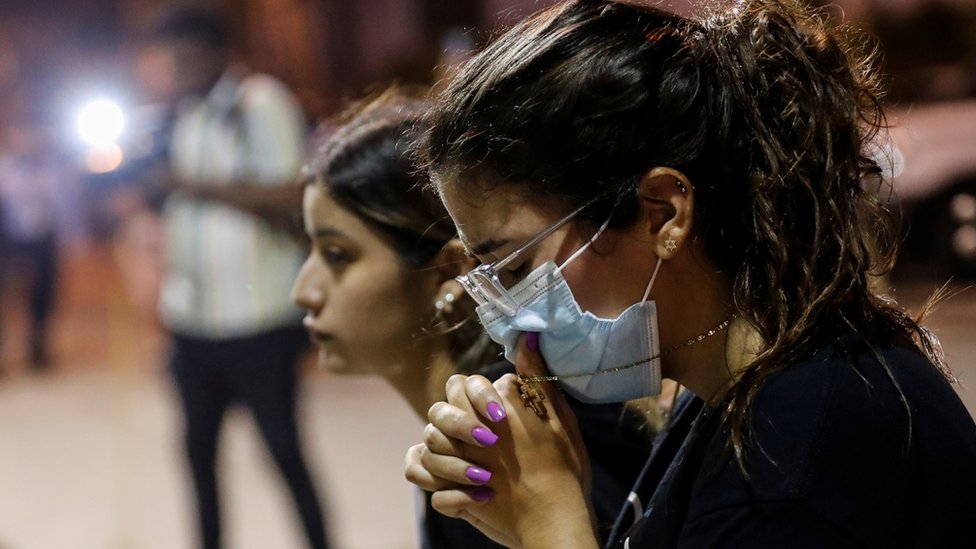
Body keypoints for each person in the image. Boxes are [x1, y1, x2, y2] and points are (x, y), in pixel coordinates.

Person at [403, 1, 976, 548]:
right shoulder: (734, 386)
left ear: (663, 214)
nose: (506, 323)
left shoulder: (800, 452)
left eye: (515, 265)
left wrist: (550, 520)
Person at [290, 90, 653, 548]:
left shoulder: (503, 439)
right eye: (309, 251)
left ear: (450, 271)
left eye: (338, 255)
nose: (303, 292)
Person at [151, 8, 328, 549]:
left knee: (283, 453)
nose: (177, 71)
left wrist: (192, 185)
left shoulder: (260, 101)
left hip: (258, 322)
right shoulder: (185, 114)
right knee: (198, 460)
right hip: (193, 321)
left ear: (216, 52)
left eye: (185, 59)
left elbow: (289, 194)